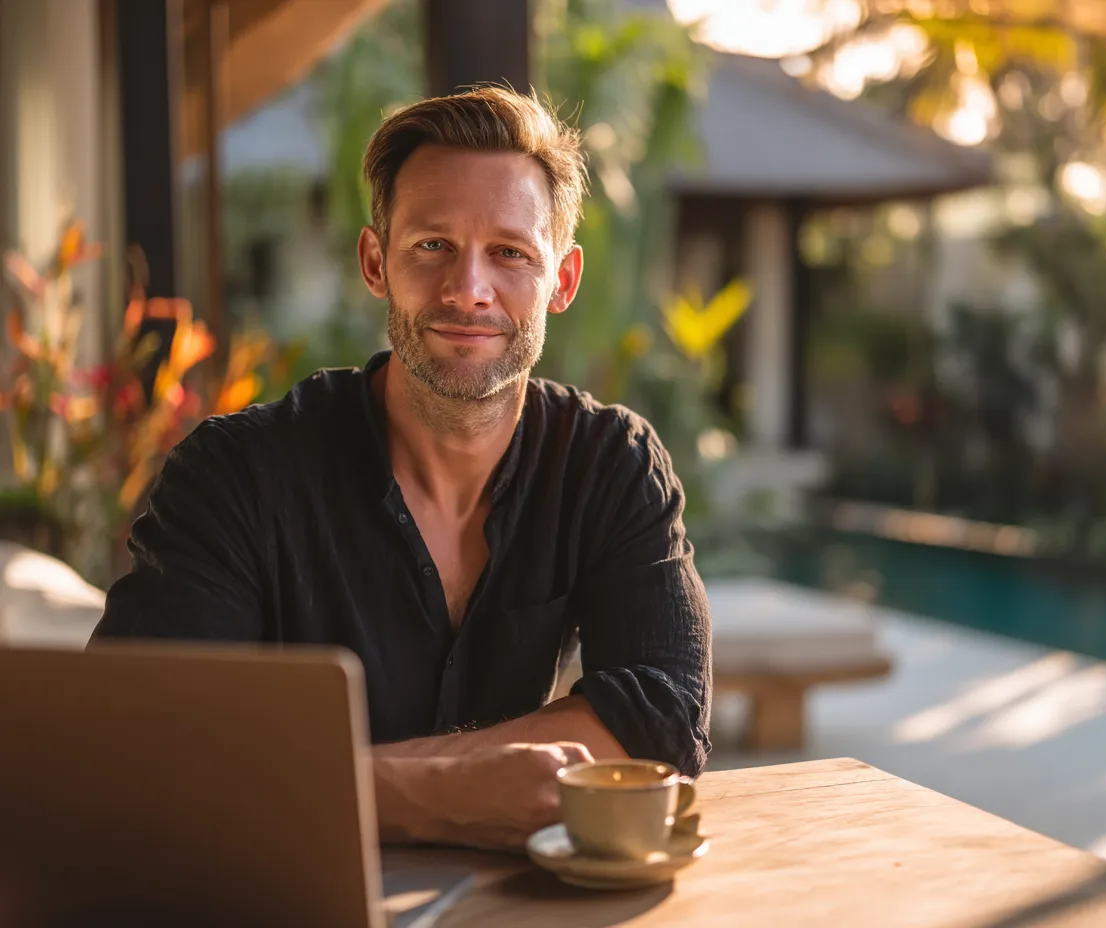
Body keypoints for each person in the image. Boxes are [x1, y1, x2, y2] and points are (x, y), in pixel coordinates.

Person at [91, 87, 712, 850]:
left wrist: (342, 783)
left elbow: (663, 721)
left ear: (563, 280)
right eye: (431, 246)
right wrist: (444, 793)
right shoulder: (234, 476)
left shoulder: (608, 465)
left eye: (511, 253)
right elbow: (134, 750)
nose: (467, 290)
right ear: (375, 261)